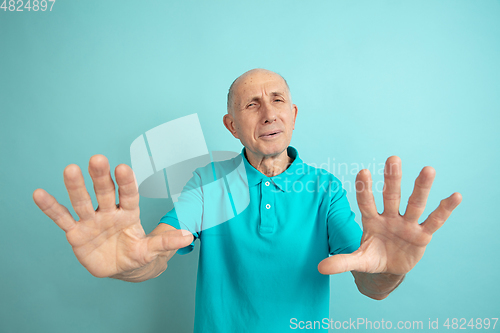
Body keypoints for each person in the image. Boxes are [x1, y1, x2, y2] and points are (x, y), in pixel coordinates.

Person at [33, 68, 462, 332]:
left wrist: (389, 272)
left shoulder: (325, 188)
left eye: (278, 101)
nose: (269, 112)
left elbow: (368, 279)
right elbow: (158, 250)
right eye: (252, 105)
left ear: (294, 115)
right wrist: (130, 264)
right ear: (232, 125)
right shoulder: (208, 181)